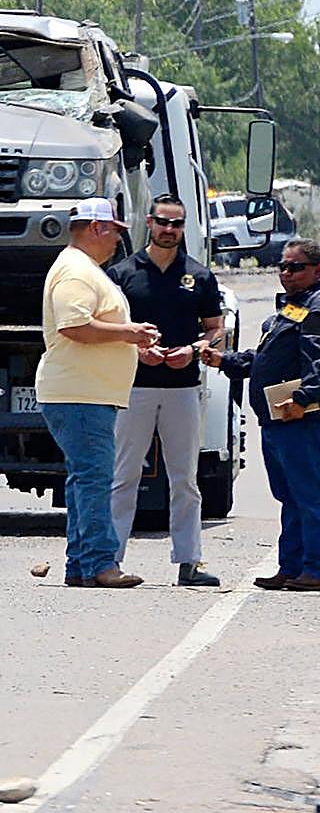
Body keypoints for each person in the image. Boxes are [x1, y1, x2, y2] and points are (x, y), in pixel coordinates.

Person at [36, 197, 158, 588]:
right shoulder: (76, 272)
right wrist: (129, 333)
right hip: (81, 393)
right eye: (115, 232)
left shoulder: (83, 269)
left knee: (84, 478)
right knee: (93, 479)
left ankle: (83, 564)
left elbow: (87, 327)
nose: (118, 242)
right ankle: (101, 563)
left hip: (83, 391)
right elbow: (74, 326)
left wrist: (132, 345)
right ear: (97, 228)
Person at [107, 194, 224, 587]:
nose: (170, 230)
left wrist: (193, 350)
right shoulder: (123, 273)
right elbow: (106, 329)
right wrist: (138, 350)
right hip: (134, 387)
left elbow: (216, 328)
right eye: (163, 222)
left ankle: (189, 561)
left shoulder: (199, 276)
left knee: (184, 479)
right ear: (150, 223)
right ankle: (110, 558)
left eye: (177, 224)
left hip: (182, 388)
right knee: (123, 476)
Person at [202, 238, 320, 591]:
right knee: (289, 496)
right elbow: (265, 358)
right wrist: (225, 361)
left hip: (300, 418)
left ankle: (314, 569)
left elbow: (318, 361)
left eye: (295, 267)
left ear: (317, 270)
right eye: (283, 266)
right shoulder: (291, 308)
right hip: (277, 419)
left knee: (309, 496)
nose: (286, 273)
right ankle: (293, 566)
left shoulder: (315, 308)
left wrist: (303, 398)